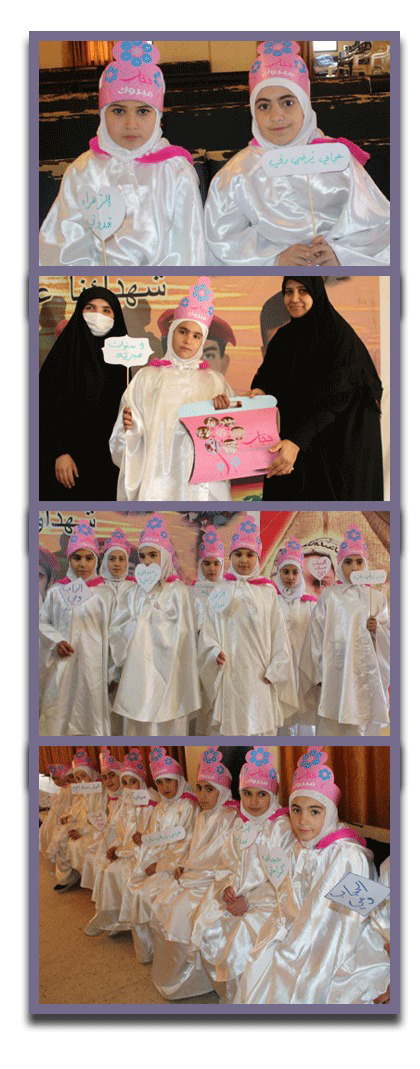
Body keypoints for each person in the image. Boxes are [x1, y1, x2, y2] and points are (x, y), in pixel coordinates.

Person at [204, 41, 389, 267]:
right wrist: (274, 259)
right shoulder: (237, 173)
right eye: (264, 106)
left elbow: (378, 225)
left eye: (288, 103)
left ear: (304, 105)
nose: (276, 116)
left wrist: (341, 255)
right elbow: (222, 240)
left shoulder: (337, 158)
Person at [235, 746, 390, 1004]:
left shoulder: (348, 856)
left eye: (314, 811)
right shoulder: (301, 848)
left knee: (295, 976)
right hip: (298, 931)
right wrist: (284, 930)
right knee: (262, 959)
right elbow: (290, 897)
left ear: (329, 812)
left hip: (333, 944)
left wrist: (300, 944)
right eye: (296, 810)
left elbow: (349, 922)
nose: (302, 821)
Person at [39, 41, 207, 266]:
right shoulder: (82, 171)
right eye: (118, 111)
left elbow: (188, 248)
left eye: (143, 111)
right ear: (102, 114)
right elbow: (63, 246)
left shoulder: (176, 172)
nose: (131, 124)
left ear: (158, 116)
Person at [250, 277, 384, 501]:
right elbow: (267, 378)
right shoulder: (284, 338)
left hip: (337, 452)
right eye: (288, 292)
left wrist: (297, 441)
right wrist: (260, 392)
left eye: (303, 291)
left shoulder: (340, 339)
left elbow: (335, 398)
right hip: (295, 447)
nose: (294, 299)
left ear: (317, 294)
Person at [110, 278, 233, 501]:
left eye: (196, 336)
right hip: (157, 477)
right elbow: (129, 431)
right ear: (172, 332)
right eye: (182, 331)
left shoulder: (215, 381)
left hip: (201, 481)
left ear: (202, 340)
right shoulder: (147, 377)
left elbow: (232, 434)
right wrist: (130, 428)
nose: (188, 340)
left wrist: (223, 413)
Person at [190, 746, 292, 1002]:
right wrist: (227, 887)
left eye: (261, 794)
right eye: (247, 794)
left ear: (274, 794)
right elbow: (226, 862)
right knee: (206, 923)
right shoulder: (240, 824)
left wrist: (250, 901)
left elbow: (286, 880)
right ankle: (229, 995)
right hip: (236, 898)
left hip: (270, 905)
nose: (253, 802)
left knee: (240, 940)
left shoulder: (282, 829)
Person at [150, 748, 239, 999]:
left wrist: (194, 873)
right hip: (195, 877)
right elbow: (195, 851)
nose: (202, 795)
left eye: (210, 789)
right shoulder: (203, 815)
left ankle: (188, 981)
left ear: (222, 790)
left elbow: (223, 861)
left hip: (213, 882)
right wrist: (185, 866)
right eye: (199, 788)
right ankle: (174, 975)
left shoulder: (229, 818)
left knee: (179, 914)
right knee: (162, 904)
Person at [198, 518, 298, 734]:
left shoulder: (268, 592)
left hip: (260, 674)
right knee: (232, 727)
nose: (244, 560)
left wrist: (276, 668)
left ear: (258, 558)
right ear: (230, 557)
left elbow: (278, 633)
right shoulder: (219, 591)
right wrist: (213, 652)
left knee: (260, 725)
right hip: (231, 672)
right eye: (238, 554)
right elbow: (208, 630)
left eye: (250, 555)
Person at [110, 514, 201, 735]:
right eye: (142, 556)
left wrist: (153, 618)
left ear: (166, 557)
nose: (147, 561)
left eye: (153, 555)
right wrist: (138, 622)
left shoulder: (179, 592)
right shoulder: (133, 591)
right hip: (138, 675)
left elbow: (185, 635)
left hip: (171, 678)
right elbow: (118, 629)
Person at [39, 286, 127, 500]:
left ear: (115, 316)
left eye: (106, 310)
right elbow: (44, 408)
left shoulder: (122, 361)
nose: (98, 315)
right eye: (90, 308)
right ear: (79, 311)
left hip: (109, 465)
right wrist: (59, 452)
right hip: (67, 465)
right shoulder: (62, 356)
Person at [300, 528, 390, 736]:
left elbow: (389, 637)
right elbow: (316, 635)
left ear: (365, 564)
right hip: (336, 672)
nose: (354, 567)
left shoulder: (376, 598)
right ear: (340, 565)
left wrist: (377, 629)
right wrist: (319, 671)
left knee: (363, 724)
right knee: (333, 725)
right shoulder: (330, 596)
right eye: (348, 562)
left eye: (359, 562)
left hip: (365, 675)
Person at [118, 748, 199, 963]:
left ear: (179, 780)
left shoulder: (188, 806)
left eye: (169, 781)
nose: (165, 787)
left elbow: (187, 844)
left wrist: (161, 865)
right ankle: (147, 949)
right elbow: (155, 837)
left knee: (144, 894)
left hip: (176, 865)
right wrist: (144, 839)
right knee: (133, 885)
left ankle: (161, 950)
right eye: (160, 782)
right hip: (157, 859)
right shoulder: (161, 806)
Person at [39, 525, 113, 736]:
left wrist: (113, 671)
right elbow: (42, 623)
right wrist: (55, 642)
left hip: (93, 669)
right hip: (63, 666)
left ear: (96, 560)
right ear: (69, 559)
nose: (82, 564)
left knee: (91, 716)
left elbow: (115, 632)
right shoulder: (56, 591)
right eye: (76, 558)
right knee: (59, 714)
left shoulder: (106, 594)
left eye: (88, 558)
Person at [84, 749, 158, 936]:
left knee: (116, 872)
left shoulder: (151, 803)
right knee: (105, 869)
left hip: (145, 853)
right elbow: (121, 833)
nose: (129, 787)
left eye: (133, 781)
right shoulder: (126, 804)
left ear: (141, 781)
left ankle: (123, 921)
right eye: (124, 783)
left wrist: (123, 851)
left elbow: (152, 836)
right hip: (127, 850)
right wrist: (116, 847)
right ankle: (113, 919)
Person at [272, 539, 317, 734]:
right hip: (279, 663)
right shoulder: (271, 600)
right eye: (286, 572)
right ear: (279, 572)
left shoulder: (310, 604)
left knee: (304, 712)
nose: (290, 577)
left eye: (295, 572)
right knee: (281, 714)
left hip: (303, 663)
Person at [47, 750, 106, 892]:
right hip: (82, 823)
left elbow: (100, 816)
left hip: (95, 828)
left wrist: (82, 830)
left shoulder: (100, 791)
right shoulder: (86, 791)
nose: (81, 781)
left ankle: (82, 877)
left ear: (91, 774)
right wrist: (70, 816)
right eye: (78, 778)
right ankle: (66, 875)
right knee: (60, 831)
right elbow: (79, 807)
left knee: (73, 843)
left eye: (84, 776)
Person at [80, 747, 123, 892]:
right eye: (104, 777)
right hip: (110, 836)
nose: (108, 781)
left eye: (112, 775)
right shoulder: (113, 798)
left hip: (121, 841)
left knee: (102, 860)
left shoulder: (128, 799)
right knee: (92, 853)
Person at [158, 308, 236, 377]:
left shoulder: (217, 382)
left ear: (224, 364)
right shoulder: (153, 378)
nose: (196, 364)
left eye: (208, 356)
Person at [39, 763, 74, 859]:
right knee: (47, 828)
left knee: (55, 830)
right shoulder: (63, 789)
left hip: (65, 812)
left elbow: (70, 803)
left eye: (58, 778)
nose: (56, 781)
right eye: (54, 779)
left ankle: (56, 854)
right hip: (56, 811)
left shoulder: (71, 788)